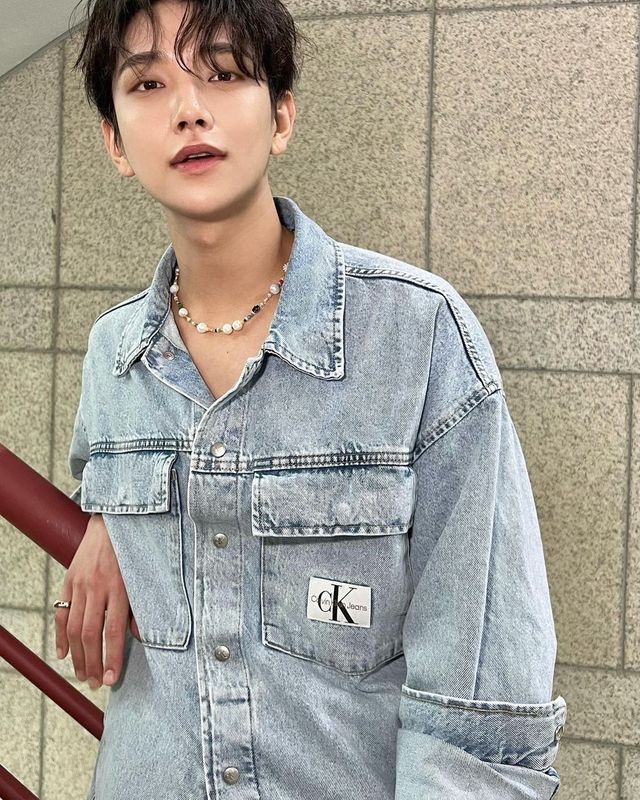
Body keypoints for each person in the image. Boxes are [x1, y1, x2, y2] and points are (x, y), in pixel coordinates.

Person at [55, 1, 567, 798]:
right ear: (115, 142)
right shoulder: (113, 354)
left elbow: (482, 689)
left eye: (223, 73)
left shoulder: (416, 333)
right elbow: (116, 466)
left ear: (282, 118)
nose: (189, 108)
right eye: (147, 84)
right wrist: (106, 521)